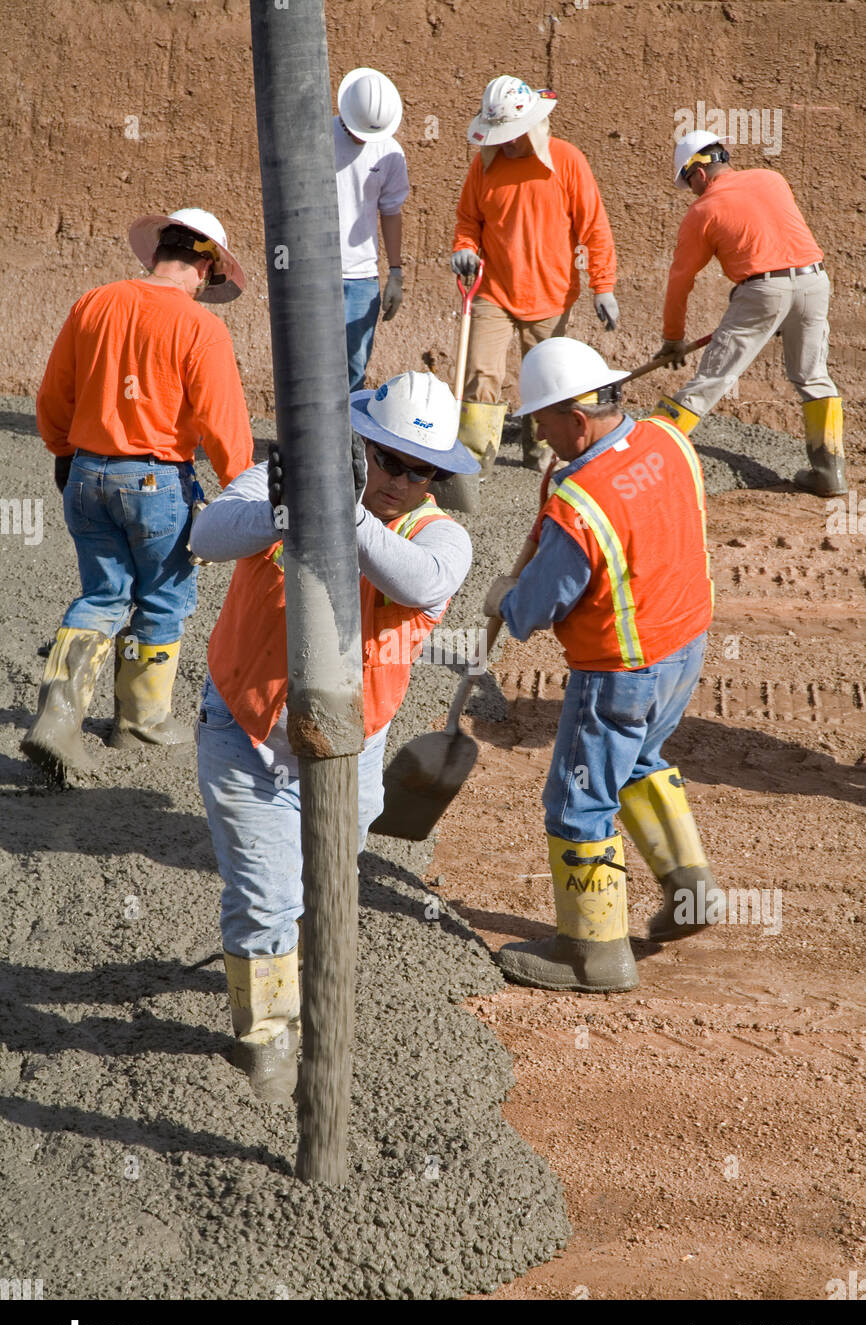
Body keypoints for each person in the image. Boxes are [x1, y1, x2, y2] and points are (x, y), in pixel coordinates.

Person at [191, 371, 476, 1103]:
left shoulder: (439, 536)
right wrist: (290, 510)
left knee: (325, 886)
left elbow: (419, 581)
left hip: (351, 746)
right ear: (360, 444)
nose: (401, 480)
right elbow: (208, 533)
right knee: (266, 897)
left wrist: (343, 516)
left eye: (422, 471)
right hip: (246, 730)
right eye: (386, 459)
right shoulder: (276, 482)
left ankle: (294, 979)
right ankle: (268, 1039)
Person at [483, 338, 717, 994]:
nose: (538, 432)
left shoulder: (582, 504)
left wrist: (503, 595)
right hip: (684, 646)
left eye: (543, 421)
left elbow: (535, 608)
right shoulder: (670, 440)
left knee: (578, 802)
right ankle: (691, 890)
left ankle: (594, 955)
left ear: (578, 421)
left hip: (619, 669)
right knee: (642, 760)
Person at [24, 207, 254, 782]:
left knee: (102, 595)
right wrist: (242, 492)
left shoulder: (94, 302)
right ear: (204, 266)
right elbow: (224, 425)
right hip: (156, 481)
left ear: (157, 254)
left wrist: (63, 451)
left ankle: (59, 717)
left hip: (86, 473)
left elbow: (55, 396)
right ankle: (141, 720)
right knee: (163, 599)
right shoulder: (201, 327)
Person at [654, 130, 845, 497]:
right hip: (814, 283)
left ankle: (642, 460)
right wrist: (781, 308)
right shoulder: (772, 179)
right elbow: (772, 233)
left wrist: (673, 338)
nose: (692, 191)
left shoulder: (702, 211)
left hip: (762, 291)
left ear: (700, 172)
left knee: (714, 378)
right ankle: (829, 473)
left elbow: (680, 281)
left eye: (689, 182)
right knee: (813, 376)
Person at [451, 75, 618, 472]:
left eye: (511, 132)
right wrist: (463, 250)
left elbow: (595, 228)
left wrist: (603, 285)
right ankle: (474, 459)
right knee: (480, 371)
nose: (506, 141)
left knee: (546, 378)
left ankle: (542, 452)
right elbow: (468, 221)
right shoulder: (485, 164)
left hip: (551, 295)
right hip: (492, 290)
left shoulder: (566, 160)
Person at [335, 67, 410, 390]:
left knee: (354, 367)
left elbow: (391, 212)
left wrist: (395, 273)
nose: (362, 139)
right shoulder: (318, 139)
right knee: (310, 363)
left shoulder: (390, 152)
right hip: (314, 274)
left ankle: (348, 437)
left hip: (361, 277)